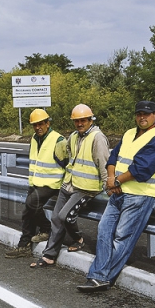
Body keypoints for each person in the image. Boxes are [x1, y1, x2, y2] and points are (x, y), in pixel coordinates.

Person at [78, 101, 155, 292]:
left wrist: (117, 181)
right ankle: (99, 275)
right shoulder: (130, 133)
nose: (142, 117)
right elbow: (113, 158)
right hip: (119, 191)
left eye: (146, 114)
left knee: (122, 237)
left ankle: (101, 277)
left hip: (140, 195)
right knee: (104, 230)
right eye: (139, 114)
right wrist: (112, 179)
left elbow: (143, 168)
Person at [31, 104, 109, 268]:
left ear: (90, 120)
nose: (79, 124)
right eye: (76, 121)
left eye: (83, 120)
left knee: (63, 216)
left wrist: (108, 185)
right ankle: (49, 256)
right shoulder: (73, 136)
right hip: (69, 184)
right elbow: (68, 158)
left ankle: (78, 238)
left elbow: (104, 163)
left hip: (86, 188)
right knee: (55, 218)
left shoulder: (97, 138)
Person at [5, 109, 67, 259]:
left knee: (31, 203)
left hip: (52, 184)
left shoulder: (59, 140)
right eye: (35, 125)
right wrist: (32, 182)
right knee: (27, 212)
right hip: (36, 182)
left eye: (41, 124)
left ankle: (47, 229)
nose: (38, 127)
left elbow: (67, 164)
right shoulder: (34, 138)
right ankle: (24, 245)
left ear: (47, 123)